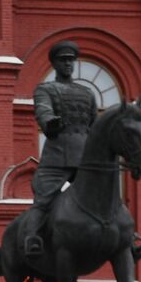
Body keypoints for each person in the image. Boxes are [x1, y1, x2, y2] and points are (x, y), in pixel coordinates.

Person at [23, 40, 99, 259]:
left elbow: (94, 124)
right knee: (44, 198)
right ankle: (32, 238)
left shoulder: (86, 93)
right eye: (63, 60)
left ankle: (128, 239)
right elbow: (43, 111)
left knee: (106, 194)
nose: (67, 64)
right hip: (57, 155)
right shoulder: (46, 89)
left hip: (85, 156)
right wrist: (50, 123)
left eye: (70, 60)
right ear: (55, 64)